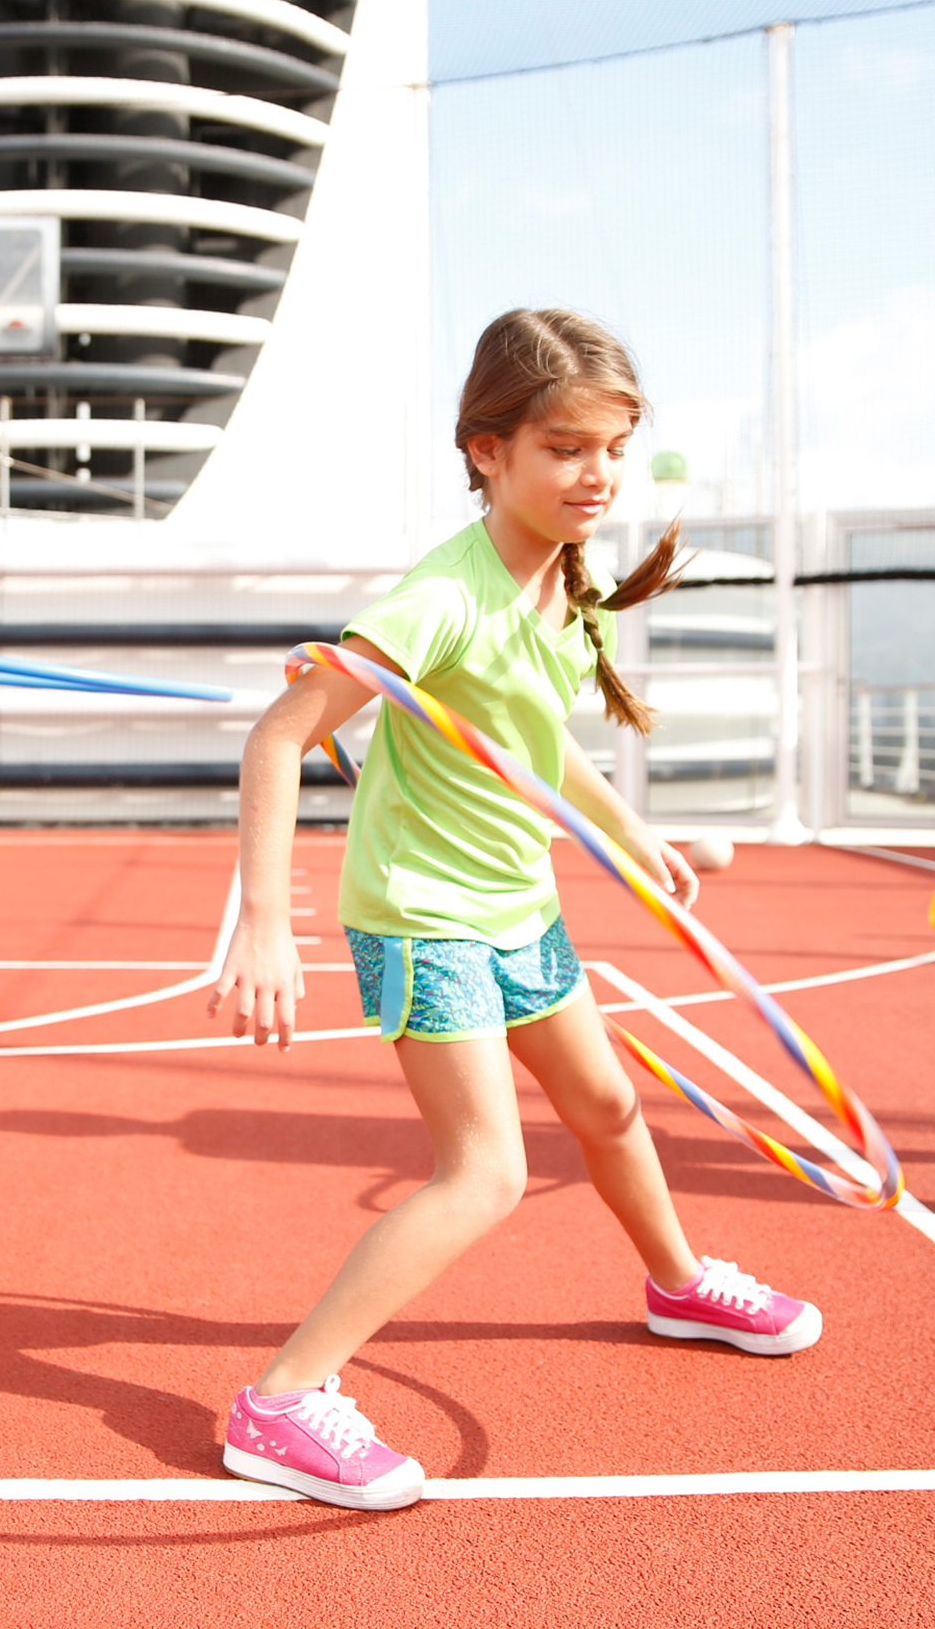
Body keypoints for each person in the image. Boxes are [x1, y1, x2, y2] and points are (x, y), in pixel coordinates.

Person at [206, 308, 822, 1511]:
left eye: (612, 447)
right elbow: (281, 737)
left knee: (607, 1103)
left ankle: (680, 1282)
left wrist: (626, 826)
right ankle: (280, 1402)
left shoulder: (564, 581)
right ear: (487, 450)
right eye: (563, 448)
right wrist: (266, 922)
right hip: (423, 915)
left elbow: (524, 745)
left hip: (514, 902)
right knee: (485, 1173)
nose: (594, 475)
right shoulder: (443, 597)